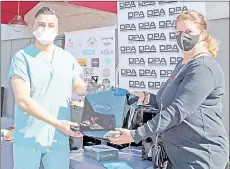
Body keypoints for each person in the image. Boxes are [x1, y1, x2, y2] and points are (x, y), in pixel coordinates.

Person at [110, 10, 229, 169]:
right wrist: (147, 98)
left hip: (200, 155)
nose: (183, 36)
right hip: (177, 154)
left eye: (188, 32)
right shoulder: (183, 64)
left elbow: (176, 111)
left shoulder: (203, 68)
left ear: (203, 34)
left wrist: (134, 135)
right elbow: (165, 102)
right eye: (179, 32)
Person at [9, 7, 87, 169]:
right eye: (41, 24)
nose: (46, 29)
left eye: (51, 25)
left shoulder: (66, 58)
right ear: (33, 27)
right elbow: (22, 100)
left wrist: (94, 89)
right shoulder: (22, 58)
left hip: (58, 140)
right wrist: (57, 123)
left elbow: (78, 87)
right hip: (29, 138)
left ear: (57, 30)